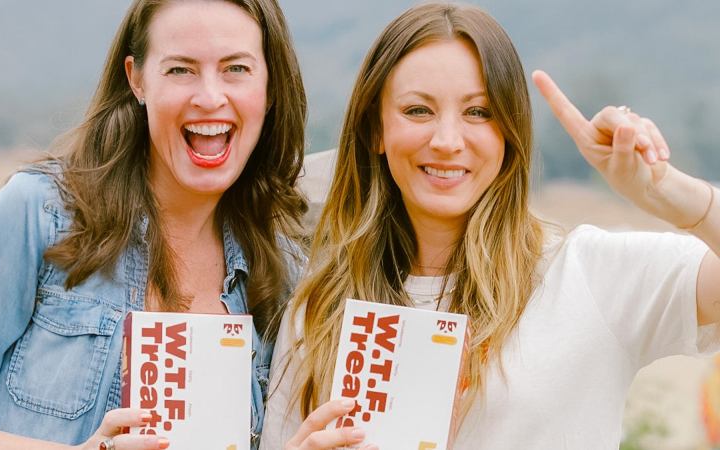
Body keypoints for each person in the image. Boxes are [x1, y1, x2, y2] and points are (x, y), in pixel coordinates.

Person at [260, 2, 720, 449]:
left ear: (509, 132)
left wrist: (666, 191)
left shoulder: (588, 274)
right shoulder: (319, 310)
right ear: (375, 129)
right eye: (418, 110)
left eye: (478, 112)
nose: (446, 141)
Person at [0, 0, 307, 449]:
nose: (209, 97)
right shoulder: (39, 214)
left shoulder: (284, 271)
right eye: (180, 70)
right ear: (137, 79)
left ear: (270, 86)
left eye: (236, 69)